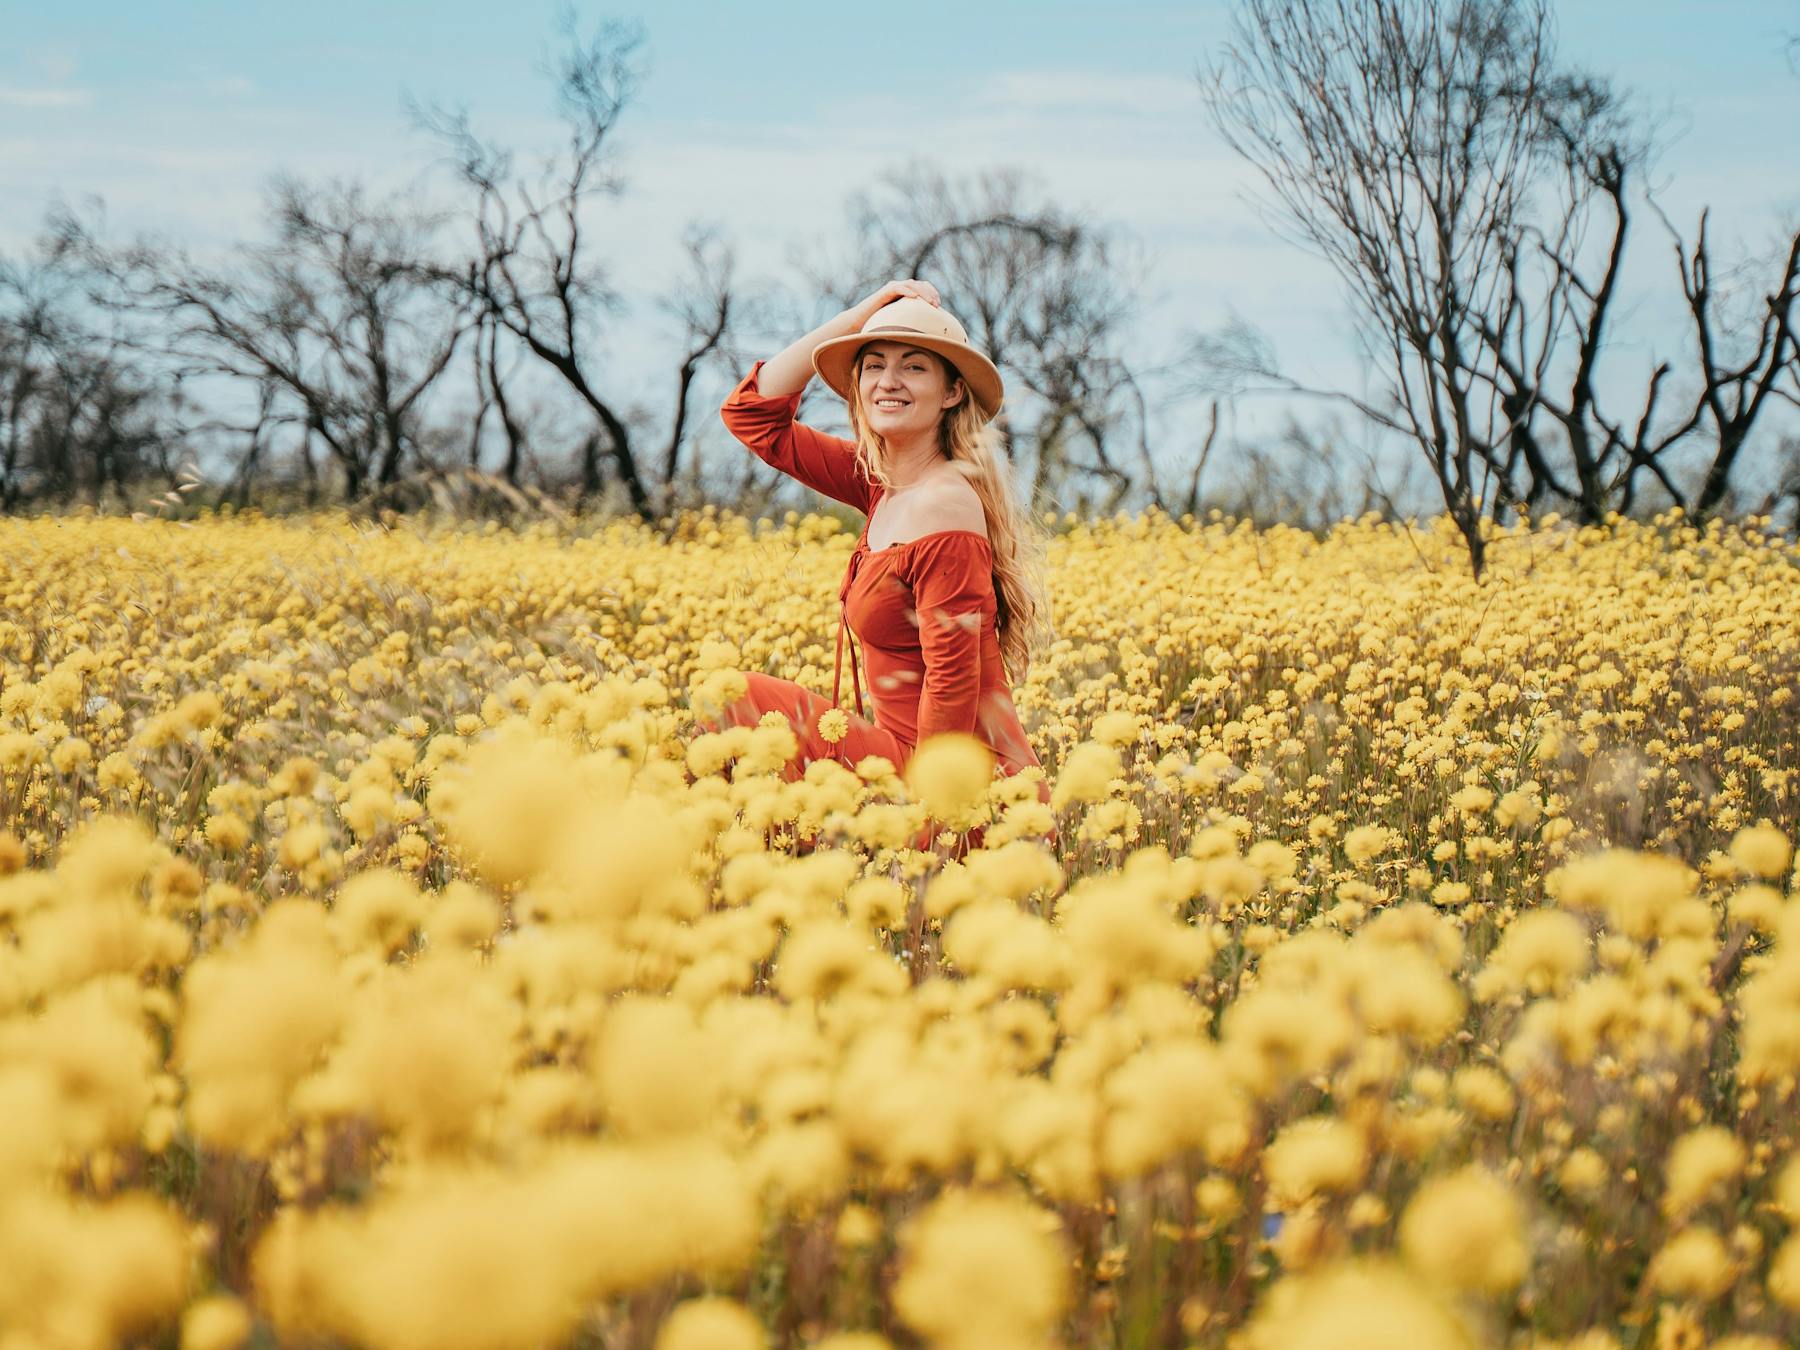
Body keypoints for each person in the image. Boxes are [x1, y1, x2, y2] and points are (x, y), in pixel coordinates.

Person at [709, 277, 1054, 834]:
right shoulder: (882, 485)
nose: (888, 381)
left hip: (961, 793)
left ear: (952, 393)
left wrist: (923, 828)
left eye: (913, 367)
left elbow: (950, 683)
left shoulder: (943, 505)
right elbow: (752, 416)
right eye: (873, 365)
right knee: (731, 713)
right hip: (903, 766)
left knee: (737, 697)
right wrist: (860, 313)